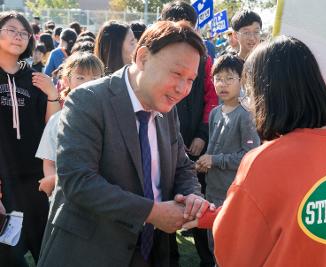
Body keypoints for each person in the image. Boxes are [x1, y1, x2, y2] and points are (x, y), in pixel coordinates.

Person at [37, 20, 210, 267]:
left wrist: (192, 195)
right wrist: (152, 212)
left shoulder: (168, 108)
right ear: (142, 57)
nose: (183, 88)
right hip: (90, 253)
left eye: (191, 79)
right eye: (177, 74)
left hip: (150, 252)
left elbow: (181, 165)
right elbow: (78, 180)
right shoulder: (88, 100)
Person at [183, 36, 326, 266]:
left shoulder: (263, 161)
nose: (248, 103)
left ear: (267, 96)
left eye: (249, 94)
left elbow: (235, 253)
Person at [160, 1, 219, 266]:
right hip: (164, 143)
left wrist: (202, 134)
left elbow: (211, 97)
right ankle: (167, 255)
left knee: (196, 199)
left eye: (188, 26)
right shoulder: (157, 58)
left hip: (195, 145)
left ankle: (207, 257)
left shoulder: (204, 59)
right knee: (164, 200)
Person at [0, 11, 61, 266]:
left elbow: (53, 126)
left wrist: (51, 94)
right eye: (12, 30)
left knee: (47, 247)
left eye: (24, 33)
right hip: (4, 180)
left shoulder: (35, 76)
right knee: (8, 251)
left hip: (36, 178)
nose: (19, 36)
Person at [196, 54, 260, 253]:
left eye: (229, 78)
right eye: (218, 78)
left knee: (230, 247)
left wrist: (214, 160)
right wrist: (203, 163)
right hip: (212, 190)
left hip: (232, 192)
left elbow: (249, 155)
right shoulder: (215, 112)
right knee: (214, 244)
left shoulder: (246, 114)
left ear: (242, 80)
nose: (222, 84)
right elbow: (213, 149)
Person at [36, 52, 104, 199]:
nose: (88, 83)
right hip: (66, 199)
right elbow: (49, 162)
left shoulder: (109, 116)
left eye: (94, 78)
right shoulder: (57, 120)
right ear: (66, 81)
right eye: (80, 78)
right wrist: (54, 192)